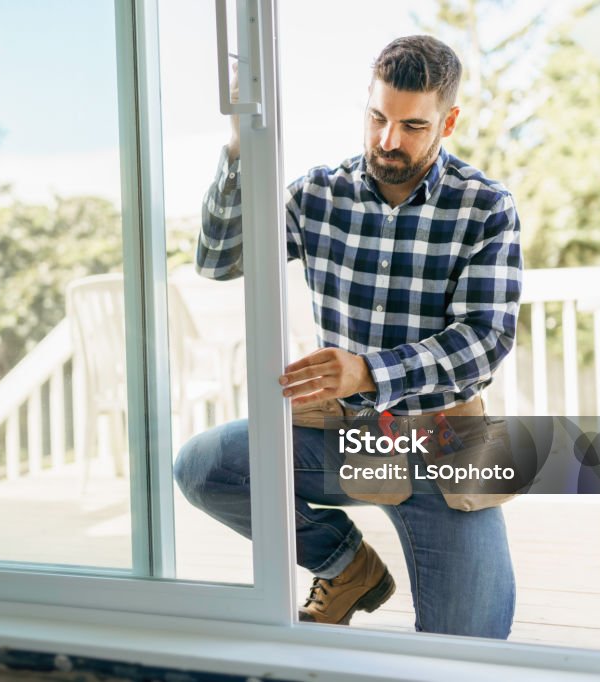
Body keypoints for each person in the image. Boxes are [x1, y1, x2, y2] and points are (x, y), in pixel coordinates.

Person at [174, 35, 521, 637]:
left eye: (413, 125)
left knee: (476, 644)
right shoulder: (317, 195)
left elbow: (485, 339)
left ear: (449, 121)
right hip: (350, 436)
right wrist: (237, 145)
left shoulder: (485, 207)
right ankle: (348, 566)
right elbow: (217, 259)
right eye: (378, 118)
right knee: (206, 467)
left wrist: (369, 371)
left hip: (444, 442)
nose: (389, 141)